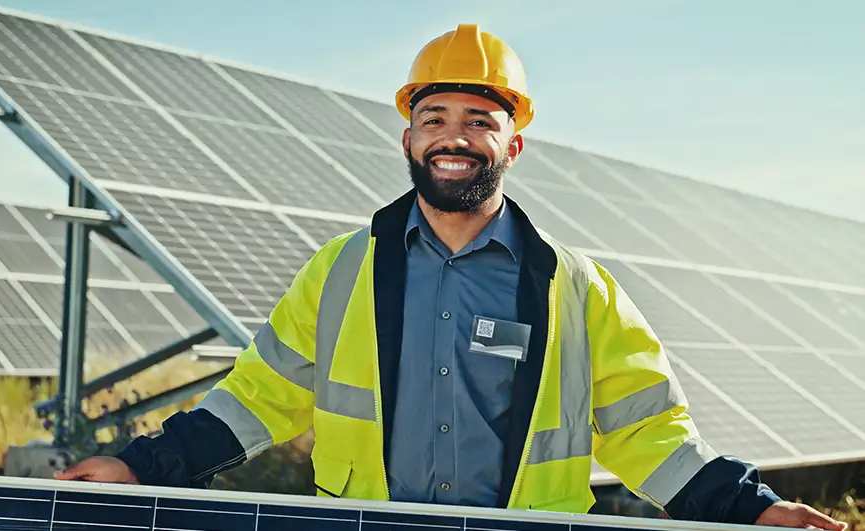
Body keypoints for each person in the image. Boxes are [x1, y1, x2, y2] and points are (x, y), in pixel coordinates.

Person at [57, 24, 846, 530]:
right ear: (408, 140)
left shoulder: (574, 288)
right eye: (434, 120)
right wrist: (140, 464)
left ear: (512, 146)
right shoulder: (341, 272)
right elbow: (256, 397)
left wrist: (754, 506)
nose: (453, 138)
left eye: (479, 121)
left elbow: (648, 434)